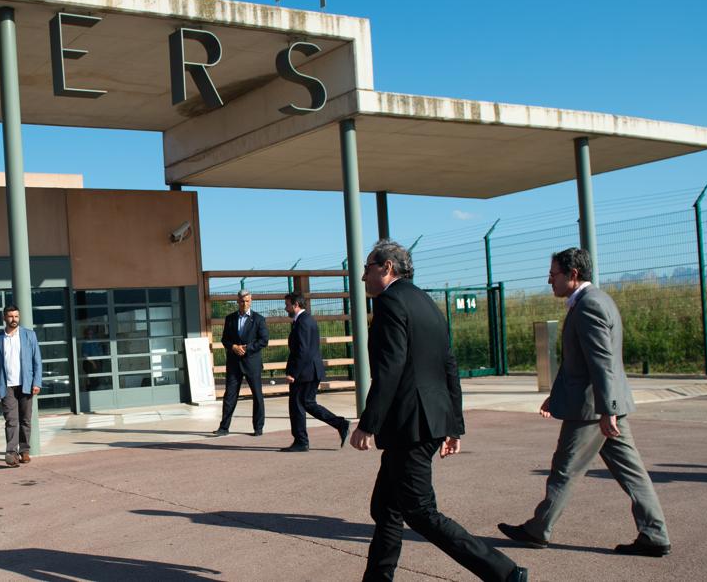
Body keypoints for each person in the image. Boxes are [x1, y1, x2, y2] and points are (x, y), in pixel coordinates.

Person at [350, 239, 527, 582]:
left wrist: (367, 423)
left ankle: (504, 572)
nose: (362, 277)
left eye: (368, 268)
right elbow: (449, 365)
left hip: (411, 425)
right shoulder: (427, 303)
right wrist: (454, 425)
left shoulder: (390, 303)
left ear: (386, 268)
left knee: (420, 512)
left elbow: (391, 368)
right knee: (386, 507)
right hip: (428, 420)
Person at [498, 247, 671, 557]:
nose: (550, 281)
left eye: (553, 275)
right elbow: (579, 361)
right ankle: (654, 533)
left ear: (573, 275)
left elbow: (601, 362)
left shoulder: (589, 305)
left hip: (593, 410)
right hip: (602, 406)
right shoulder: (594, 301)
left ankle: (538, 529)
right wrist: (558, 395)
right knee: (632, 473)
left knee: (564, 470)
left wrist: (608, 410)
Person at [280, 292, 350, 452]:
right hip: (310, 371)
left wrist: (293, 373)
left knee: (297, 405)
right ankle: (339, 424)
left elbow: (303, 351)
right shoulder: (305, 320)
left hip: (305, 373)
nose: (286, 308)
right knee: (308, 403)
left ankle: (301, 441)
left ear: (296, 304)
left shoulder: (303, 322)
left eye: (287, 305)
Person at [0, 305, 43, 467]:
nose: (14, 320)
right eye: (11, 317)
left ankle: (24, 450)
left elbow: (37, 361)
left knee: (25, 420)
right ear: (4, 318)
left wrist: (37, 382)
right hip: (7, 387)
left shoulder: (29, 335)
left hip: (26, 385)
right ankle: (11, 453)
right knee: (11, 420)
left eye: (16, 316)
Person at [213, 290, 269, 437]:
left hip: (252, 363)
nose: (244, 304)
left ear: (251, 301)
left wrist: (247, 348)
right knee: (229, 396)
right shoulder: (230, 318)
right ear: (237, 301)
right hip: (234, 364)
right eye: (242, 301)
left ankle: (258, 427)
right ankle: (224, 427)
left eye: (247, 301)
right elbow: (224, 339)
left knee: (257, 396)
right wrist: (233, 347)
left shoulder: (259, 319)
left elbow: (263, 340)